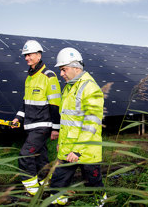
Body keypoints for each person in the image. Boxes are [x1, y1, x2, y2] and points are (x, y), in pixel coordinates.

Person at [49, 47, 105, 205]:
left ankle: (99, 202)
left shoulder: (90, 88)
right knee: (57, 184)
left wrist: (78, 149)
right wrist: (61, 143)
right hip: (68, 148)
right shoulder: (68, 87)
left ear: (76, 67)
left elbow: (91, 121)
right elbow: (66, 120)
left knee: (93, 183)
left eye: (63, 69)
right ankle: (58, 202)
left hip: (86, 150)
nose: (61, 74)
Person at [12, 40, 61, 196]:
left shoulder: (49, 76)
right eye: (25, 55)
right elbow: (26, 102)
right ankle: (47, 185)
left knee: (25, 156)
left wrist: (55, 128)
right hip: (30, 125)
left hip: (42, 125)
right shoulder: (29, 77)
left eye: (30, 55)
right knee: (40, 157)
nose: (27, 58)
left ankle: (32, 190)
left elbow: (55, 104)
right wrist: (18, 118)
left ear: (38, 55)